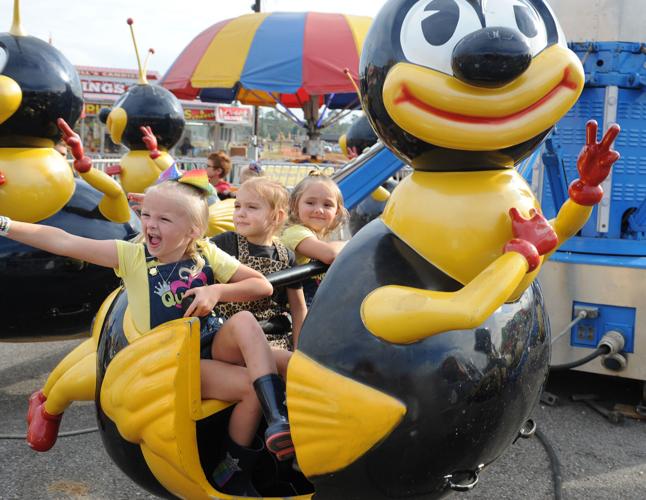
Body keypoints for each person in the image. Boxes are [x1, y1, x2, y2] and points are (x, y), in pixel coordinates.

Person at [13, 125, 293, 496]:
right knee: (248, 389)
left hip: (210, 342)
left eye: (163, 219)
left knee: (252, 328)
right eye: (147, 215)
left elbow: (262, 285)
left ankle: (272, 429)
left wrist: (216, 289)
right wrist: (6, 224)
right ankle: (237, 460)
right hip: (171, 362)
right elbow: (63, 241)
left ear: (193, 230)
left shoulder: (205, 252)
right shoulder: (132, 255)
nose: (149, 225)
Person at [212, 177, 307, 349]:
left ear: (277, 217)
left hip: (272, 334)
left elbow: (298, 308)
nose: (240, 213)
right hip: (230, 335)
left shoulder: (286, 255)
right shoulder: (225, 243)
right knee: (283, 363)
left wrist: (300, 348)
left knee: (289, 362)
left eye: (252, 207)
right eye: (237, 206)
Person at [281, 172, 348, 306]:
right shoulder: (295, 232)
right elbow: (330, 255)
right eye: (310, 203)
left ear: (337, 212)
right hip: (292, 306)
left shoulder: (315, 236)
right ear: (295, 206)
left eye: (327, 205)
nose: (319, 210)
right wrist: (351, 243)